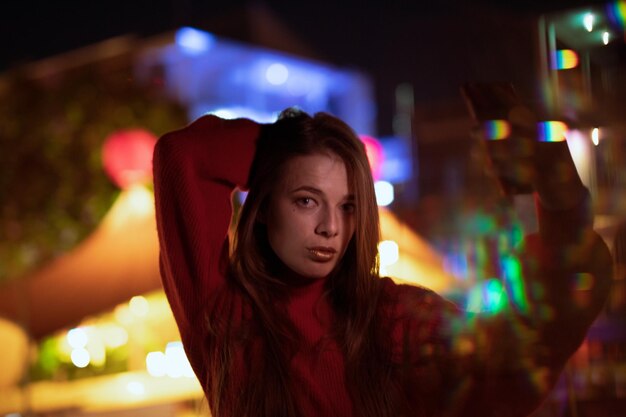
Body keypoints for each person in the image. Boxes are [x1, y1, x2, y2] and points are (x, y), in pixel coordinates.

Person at [153, 106, 612, 417]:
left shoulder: (392, 317)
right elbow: (184, 157)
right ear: (265, 205)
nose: (331, 227)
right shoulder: (227, 317)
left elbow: (516, 360)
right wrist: (285, 147)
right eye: (307, 200)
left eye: (349, 206)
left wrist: (563, 207)